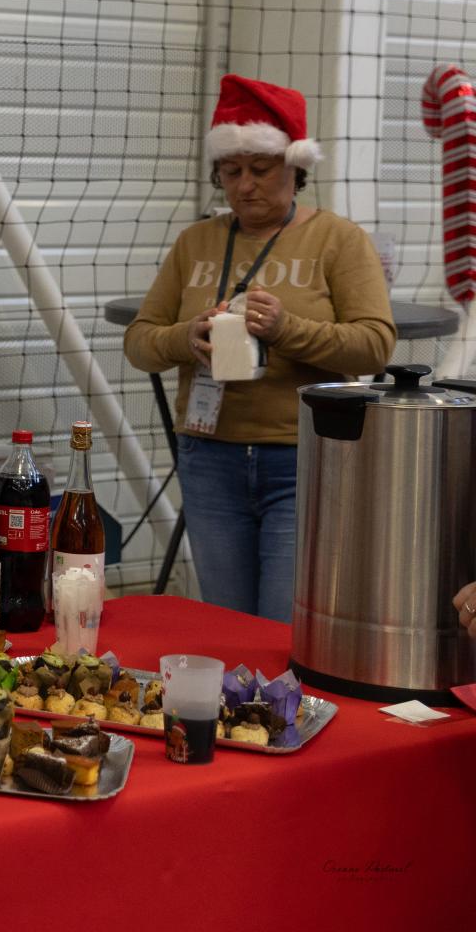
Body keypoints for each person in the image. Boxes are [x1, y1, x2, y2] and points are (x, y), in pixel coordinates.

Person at [125, 74, 394, 622]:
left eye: (261, 168)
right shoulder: (196, 242)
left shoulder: (339, 240)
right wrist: (186, 336)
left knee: (281, 624)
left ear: (295, 167)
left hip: (304, 457)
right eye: (232, 171)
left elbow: (374, 346)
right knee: (225, 622)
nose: (245, 185)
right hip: (209, 456)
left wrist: (285, 329)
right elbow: (140, 342)